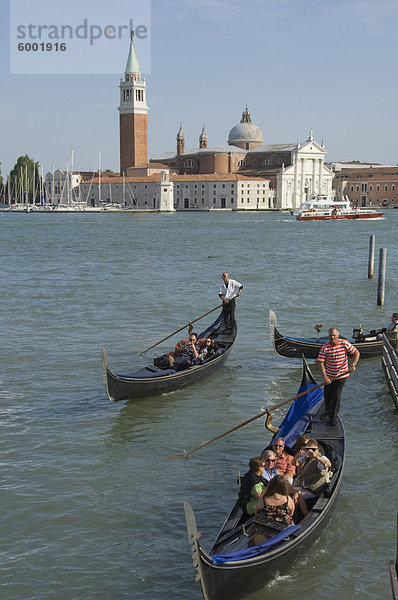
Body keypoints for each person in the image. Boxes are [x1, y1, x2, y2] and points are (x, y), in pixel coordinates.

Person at [317, 327, 360, 426]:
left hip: (341, 375)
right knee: (327, 395)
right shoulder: (325, 347)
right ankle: (327, 412)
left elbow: (356, 353)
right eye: (331, 336)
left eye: (334, 335)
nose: (332, 337)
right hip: (329, 376)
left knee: (336, 395)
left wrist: (353, 365)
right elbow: (321, 363)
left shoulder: (344, 343)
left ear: (338, 336)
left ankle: (333, 417)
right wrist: (325, 377)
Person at [252, 475, 295, 544]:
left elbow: (256, 512)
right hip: (284, 530)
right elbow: (291, 513)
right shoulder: (287, 499)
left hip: (265, 531)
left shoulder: (263, 499)